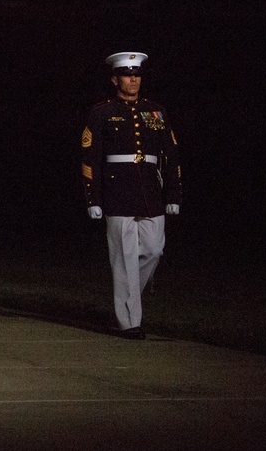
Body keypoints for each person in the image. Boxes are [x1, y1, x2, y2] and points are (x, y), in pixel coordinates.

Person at [80, 52, 182, 339]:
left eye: (137, 74)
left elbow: (170, 154)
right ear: (115, 79)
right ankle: (128, 322)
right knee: (124, 257)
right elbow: (91, 156)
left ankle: (123, 300)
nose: (133, 79)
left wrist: (173, 192)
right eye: (127, 74)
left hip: (150, 189)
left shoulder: (156, 111)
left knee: (153, 249)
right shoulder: (101, 112)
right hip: (117, 190)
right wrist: (93, 199)